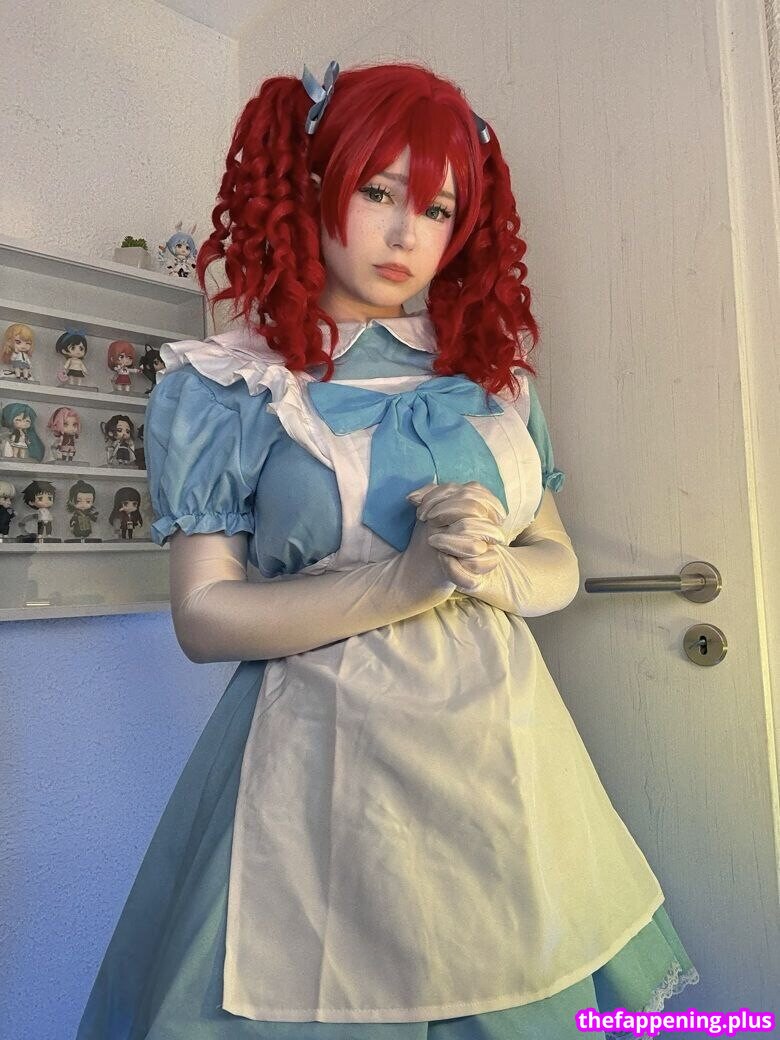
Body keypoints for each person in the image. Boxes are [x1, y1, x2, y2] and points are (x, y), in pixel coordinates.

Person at [76, 60, 699, 1039]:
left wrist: (495, 568)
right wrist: (406, 580)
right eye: (378, 192)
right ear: (313, 184)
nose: (407, 234)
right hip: (313, 768)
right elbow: (203, 616)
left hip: (501, 762)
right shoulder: (228, 383)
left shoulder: (494, 379)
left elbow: (557, 559)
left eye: (438, 208)